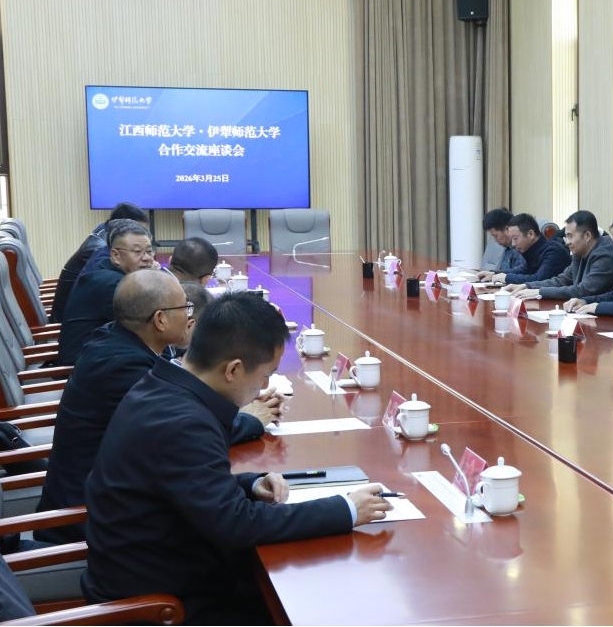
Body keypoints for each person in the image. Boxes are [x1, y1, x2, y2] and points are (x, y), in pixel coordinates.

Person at [82, 291, 393, 624]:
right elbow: (237, 526)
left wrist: (250, 485)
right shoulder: (185, 422)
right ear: (233, 369)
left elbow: (184, 484)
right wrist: (345, 509)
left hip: (156, 565)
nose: (263, 387)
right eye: (265, 375)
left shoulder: (163, 385)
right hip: (161, 603)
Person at [35, 271, 281, 543]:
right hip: (81, 519)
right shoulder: (124, 367)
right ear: (160, 320)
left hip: (124, 503)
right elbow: (183, 432)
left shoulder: (117, 339)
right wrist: (249, 419)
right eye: (185, 308)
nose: (191, 317)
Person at [57, 219, 153, 364]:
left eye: (149, 251)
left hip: (99, 356)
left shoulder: (108, 270)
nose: (146, 258)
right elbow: (146, 331)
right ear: (116, 256)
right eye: (138, 252)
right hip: (86, 365)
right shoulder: (113, 285)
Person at [50, 202, 147, 323]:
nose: (143, 235)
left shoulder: (105, 232)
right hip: (64, 321)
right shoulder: (99, 251)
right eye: (138, 231)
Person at [506, 210, 613, 300]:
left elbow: (583, 290)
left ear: (587, 236)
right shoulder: (580, 251)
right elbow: (562, 280)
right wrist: (527, 286)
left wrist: (539, 292)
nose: (567, 242)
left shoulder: (605, 255)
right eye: (566, 237)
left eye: (570, 236)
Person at [485, 213, 569, 286]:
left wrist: (507, 278)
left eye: (515, 238)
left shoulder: (553, 251)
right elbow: (522, 270)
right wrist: (494, 274)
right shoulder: (531, 250)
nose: (513, 244)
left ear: (530, 234)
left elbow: (539, 279)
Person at [478, 207, 525, 275]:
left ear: (507, 229)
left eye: (496, 236)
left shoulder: (520, 250)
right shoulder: (508, 248)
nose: (495, 240)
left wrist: (494, 275)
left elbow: (519, 275)